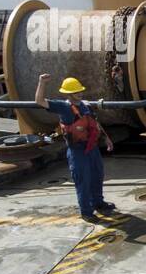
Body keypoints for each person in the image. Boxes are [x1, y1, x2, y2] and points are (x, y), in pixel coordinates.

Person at [34, 74, 116, 223]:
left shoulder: (85, 105)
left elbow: (94, 123)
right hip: (77, 151)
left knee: (97, 175)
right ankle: (86, 212)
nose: (80, 94)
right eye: (76, 92)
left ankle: (98, 203)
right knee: (83, 180)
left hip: (92, 147)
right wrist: (42, 83)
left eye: (80, 91)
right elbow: (39, 101)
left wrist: (106, 138)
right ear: (68, 94)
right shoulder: (64, 107)